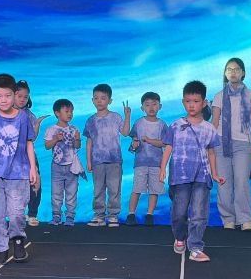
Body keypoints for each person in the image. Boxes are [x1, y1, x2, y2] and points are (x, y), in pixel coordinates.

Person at [0, 74, 38, 265]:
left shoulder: (23, 118)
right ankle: (1, 247)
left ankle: (17, 240)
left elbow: (29, 143)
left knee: (17, 211)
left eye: (8, 95)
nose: (3, 100)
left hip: (18, 172)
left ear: (14, 95)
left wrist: (33, 168)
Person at [160, 81, 224, 262]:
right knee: (179, 212)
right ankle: (180, 237)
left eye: (196, 101)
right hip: (180, 175)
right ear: (183, 102)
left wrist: (214, 173)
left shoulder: (209, 128)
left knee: (199, 213)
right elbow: (168, 147)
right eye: (188, 101)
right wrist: (162, 168)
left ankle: (195, 247)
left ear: (204, 103)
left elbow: (211, 152)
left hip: (202, 176)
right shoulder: (176, 125)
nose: (192, 105)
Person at [211, 58, 251, 230]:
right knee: (223, 183)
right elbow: (214, 122)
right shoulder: (218, 96)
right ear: (225, 73)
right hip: (220, 143)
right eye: (229, 69)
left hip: (242, 143)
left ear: (243, 73)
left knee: (242, 181)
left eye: (237, 69)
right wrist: (209, 145)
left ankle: (245, 219)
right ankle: (228, 219)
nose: (233, 72)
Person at [84, 83, 131, 227]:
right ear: (92, 100)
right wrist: (89, 161)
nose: (99, 101)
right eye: (96, 98)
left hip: (114, 160)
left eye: (103, 98)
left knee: (114, 189)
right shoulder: (91, 120)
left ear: (110, 100)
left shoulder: (115, 117)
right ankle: (99, 216)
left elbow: (125, 133)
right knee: (98, 189)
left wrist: (127, 116)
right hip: (97, 161)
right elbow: (89, 142)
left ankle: (113, 216)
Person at [125, 92, 168, 226]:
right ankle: (131, 214)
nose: (151, 107)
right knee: (137, 188)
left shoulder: (162, 125)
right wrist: (135, 144)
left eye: (154, 104)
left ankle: (150, 214)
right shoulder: (138, 123)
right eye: (147, 105)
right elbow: (133, 140)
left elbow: (164, 143)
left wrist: (149, 140)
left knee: (154, 190)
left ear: (160, 106)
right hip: (141, 163)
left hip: (157, 163)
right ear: (142, 107)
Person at [15, 80, 49, 226]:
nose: (23, 99)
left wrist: (37, 124)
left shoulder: (29, 115)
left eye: (26, 97)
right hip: (11, 156)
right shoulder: (4, 113)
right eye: (19, 96)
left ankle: (32, 214)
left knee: (35, 182)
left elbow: (33, 137)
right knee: (14, 185)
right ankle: (17, 212)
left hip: (28, 154)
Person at [44, 98, 82, 226]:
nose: (70, 114)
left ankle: (70, 216)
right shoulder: (51, 129)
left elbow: (77, 146)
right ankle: (56, 216)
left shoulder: (74, 129)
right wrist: (55, 139)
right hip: (57, 166)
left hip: (72, 166)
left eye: (71, 111)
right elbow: (47, 146)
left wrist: (77, 139)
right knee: (56, 193)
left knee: (72, 193)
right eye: (67, 111)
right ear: (57, 113)